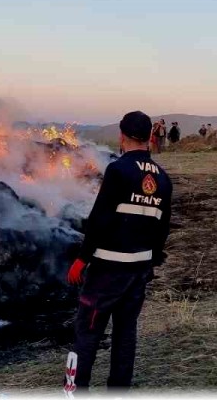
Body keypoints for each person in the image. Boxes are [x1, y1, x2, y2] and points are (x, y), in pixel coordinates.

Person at [67, 111, 173, 390]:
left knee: (87, 333)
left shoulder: (117, 170)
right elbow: (162, 228)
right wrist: (151, 262)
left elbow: (100, 218)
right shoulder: (162, 178)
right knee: (125, 334)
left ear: (122, 137)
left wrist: (81, 258)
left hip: (106, 272)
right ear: (150, 137)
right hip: (137, 271)